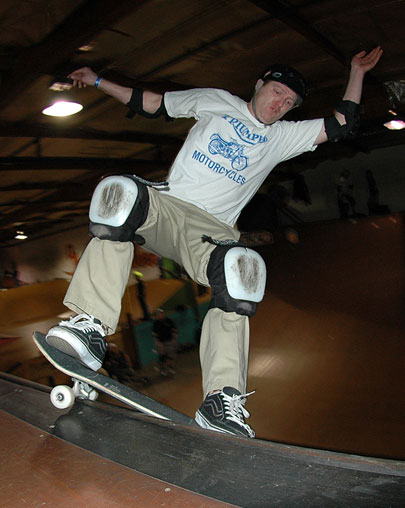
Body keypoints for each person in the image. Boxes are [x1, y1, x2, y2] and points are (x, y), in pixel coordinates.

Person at [45, 46, 382, 438]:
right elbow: (151, 103)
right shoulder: (216, 101)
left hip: (211, 233)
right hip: (168, 209)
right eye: (277, 92)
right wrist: (98, 80)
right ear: (259, 85)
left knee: (244, 270)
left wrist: (356, 72)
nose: (279, 105)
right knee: (118, 192)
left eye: (289, 103)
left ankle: (221, 400)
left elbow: (342, 123)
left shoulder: (283, 136)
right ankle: (90, 327)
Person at [152, 308, 178, 376]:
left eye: (160, 314)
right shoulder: (156, 323)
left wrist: (174, 339)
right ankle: (163, 370)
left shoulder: (169, 321)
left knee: (170, 356)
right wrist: (157, 342)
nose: (159, 315)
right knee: (162, 357)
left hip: (169, 341)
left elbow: (174, 330)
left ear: (163, 314)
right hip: (161, 343)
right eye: (158, 314)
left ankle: (170, 368)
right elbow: (154, 334)